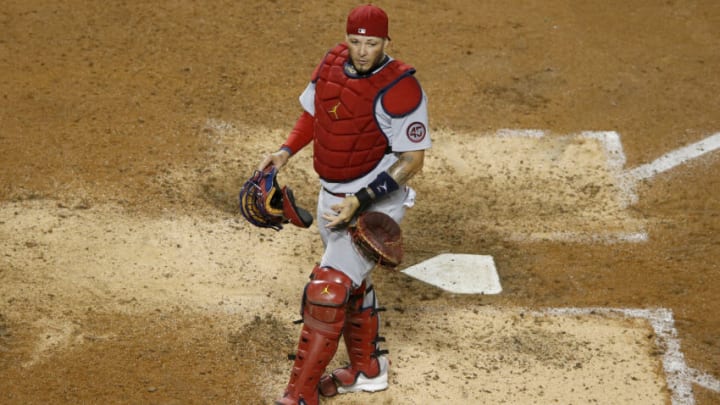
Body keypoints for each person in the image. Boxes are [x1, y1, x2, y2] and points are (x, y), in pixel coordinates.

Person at [257, 4, 431, 405]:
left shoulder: (401, 87)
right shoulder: (333, 64)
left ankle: (299, 396)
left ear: (387, 41)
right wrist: (285, 152)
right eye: (356, 41)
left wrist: (360, 200)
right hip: (331, 194)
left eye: (372, 43)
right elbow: (314, 115)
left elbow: (412, 161)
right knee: (351, 282)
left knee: (328, 288)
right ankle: (367, 369)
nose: (363, 50)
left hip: (375, 202)